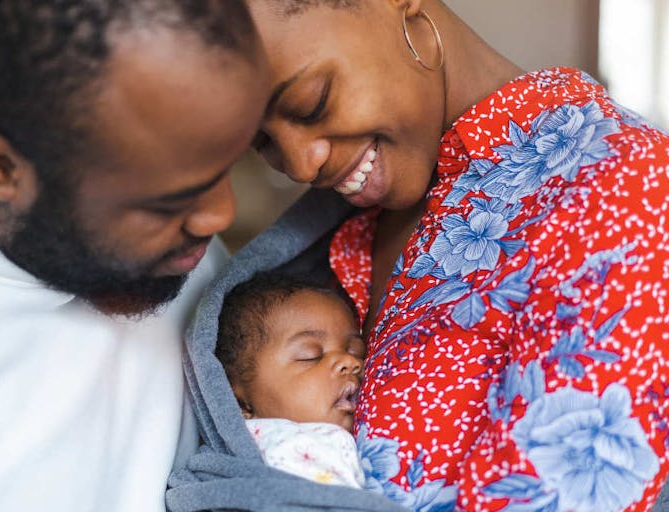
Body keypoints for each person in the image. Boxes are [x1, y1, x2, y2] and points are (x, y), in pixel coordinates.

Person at [173, 0, 669, 511]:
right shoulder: (366, 218)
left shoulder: (625, 186)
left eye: (311, 103)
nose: (300, 165)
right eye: (263, 142)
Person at [0, 0, 270, 510]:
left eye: (227, 166)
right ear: (0, 168)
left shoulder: (165, 230)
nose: (219, 216)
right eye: (168, 201)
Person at [216, 273, 366, 489]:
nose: (350, 361)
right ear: (239, 401)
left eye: (357, 351)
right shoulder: (292, 446)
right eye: (310, 356)